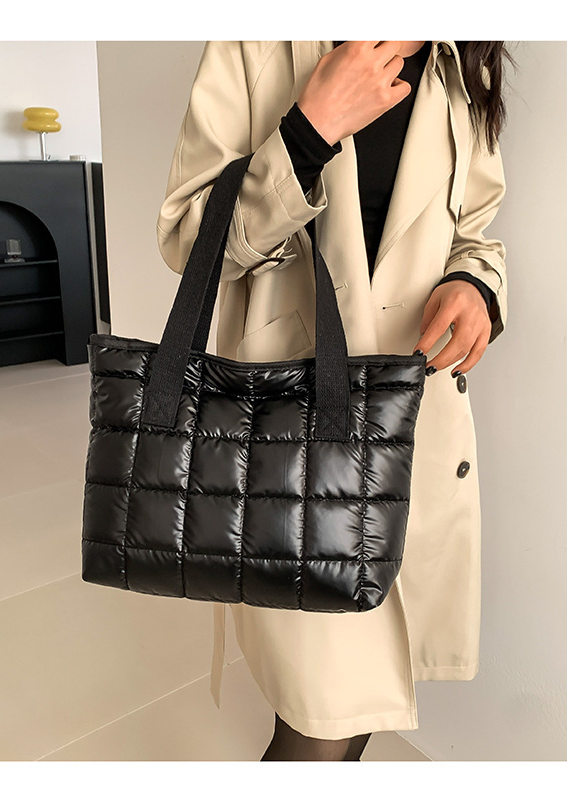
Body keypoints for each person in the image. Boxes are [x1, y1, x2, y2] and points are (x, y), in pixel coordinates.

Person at [156, 40, 513, 761]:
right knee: (320, 723)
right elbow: (188, 241)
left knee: (358, 696)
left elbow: (475, 231)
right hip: (289, 440)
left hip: (413, 429)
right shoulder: (256, 41)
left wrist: (476, 286)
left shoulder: (460, 58)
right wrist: (305, 133)